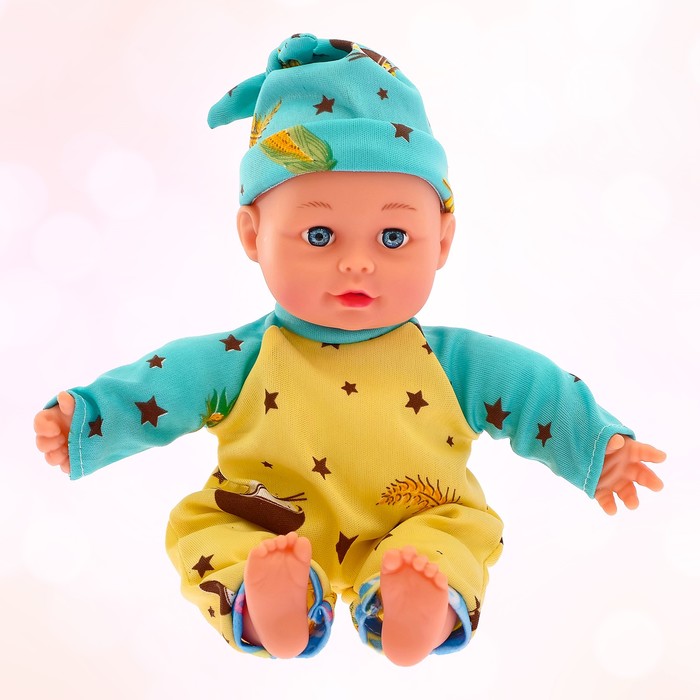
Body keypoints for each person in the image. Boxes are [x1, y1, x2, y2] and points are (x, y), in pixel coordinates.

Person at [33, 34, 665, 666]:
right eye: (319, 234)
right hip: (268, 517)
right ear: (252, 234)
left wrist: (593, 445)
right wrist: (92, 417)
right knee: (204, 530)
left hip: (413, 519)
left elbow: (535, 392)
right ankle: (268, 602)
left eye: (393, 236)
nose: (357, 263)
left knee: (453, 536)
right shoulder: (240, 358)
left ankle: (415, 605)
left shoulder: (456, 364)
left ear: (443, 241)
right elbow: (161, 384)